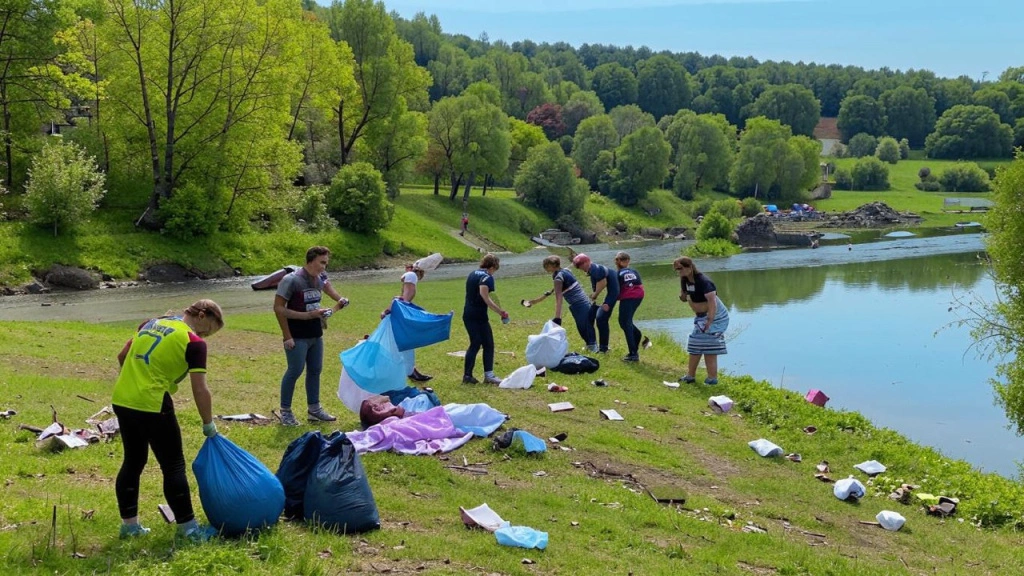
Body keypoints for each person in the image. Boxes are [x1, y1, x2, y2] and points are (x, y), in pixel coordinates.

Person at [112, 299, 225, 543]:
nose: (205, 335)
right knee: (173, 465)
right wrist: (208, 424)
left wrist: (135, 380)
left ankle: (129, 526)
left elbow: (123, 355)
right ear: (202, 315)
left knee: (133, 461)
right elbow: (200, 389)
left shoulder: (151, 323)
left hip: (123, 398)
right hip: (152, 403)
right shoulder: (193, 342)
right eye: (209, 329)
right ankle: (190, 530)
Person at [274, 246, 348, 426]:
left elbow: (331, 291)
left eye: (326, 263)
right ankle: (285, 412)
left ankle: (314, 409)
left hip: (315, 334)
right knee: (295, 371)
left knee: (315, 370)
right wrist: (287, 336)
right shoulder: (291, 280)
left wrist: (340, 301)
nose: (324, 267)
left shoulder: (320, 278)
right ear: (311, 260)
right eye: (322, 262)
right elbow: (278, 308)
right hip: (296, 335)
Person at [675, 256, 730, 385]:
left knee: (708, 346)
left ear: (689, 267)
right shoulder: (685, 280)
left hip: (715, 317)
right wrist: (683, 296)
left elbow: (712, 302)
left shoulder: (704, 281)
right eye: (676, 269)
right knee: (695, 344)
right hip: (700, 316)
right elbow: (684, 297)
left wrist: (710, 320)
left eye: (680, 268)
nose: (678, 271)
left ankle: (712, 379)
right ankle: (691, 376)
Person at [525, 255, 595, 351]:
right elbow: (559, 288)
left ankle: (593, 346)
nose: (544, 267)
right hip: (576, 304)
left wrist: (557, 317)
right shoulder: (564, 271)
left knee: (585, 326)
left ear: (552, 265)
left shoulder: (558, 278)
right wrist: (540, 298)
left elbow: (559, 297)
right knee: (581, 327)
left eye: (546, 265)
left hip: (581, 304)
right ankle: (589, 345)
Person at [462, 253, 508, 384]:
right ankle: (471, 376)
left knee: (485, 343)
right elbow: (484, 296)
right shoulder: (487, 277)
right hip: (477, 315)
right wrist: (500, 312)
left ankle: (482, 375)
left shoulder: (472, 273)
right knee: (479, 343)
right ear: (493, 266)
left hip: (469, 314)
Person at [384, 263, 433, 382]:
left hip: (400, 310)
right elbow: (404, 298)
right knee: (404, 344)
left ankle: (410, 371)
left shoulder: (410, 276)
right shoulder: (412, 276)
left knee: (402, 344)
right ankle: (409, 372)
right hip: (401, 311)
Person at [571, 253, 619, 353]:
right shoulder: (593, 269)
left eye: (581, 265)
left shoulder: (595, 269)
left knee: (601, 320)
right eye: (578, 266)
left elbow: (603, 282)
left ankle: (603, 348)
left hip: (608, 299)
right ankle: (592, 344)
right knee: (589, 318)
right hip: (603, 299)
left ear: (587, 261)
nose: (581, 268)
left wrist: (595, 294)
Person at [614, 252, 647, 362]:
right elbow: (640, 286)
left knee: (625, 322)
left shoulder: (618, 274)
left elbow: (616, 290)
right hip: (638, 296)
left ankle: (633, 354)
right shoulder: (634, 271)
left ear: (617, 261)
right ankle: (637, 335)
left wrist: (613, 300)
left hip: (628, 297)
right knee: (625, 321)